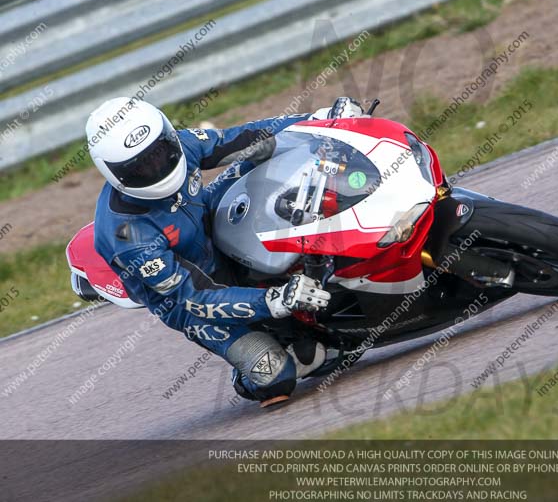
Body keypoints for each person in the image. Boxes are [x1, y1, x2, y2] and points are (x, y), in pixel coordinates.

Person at [87, 96, 364, 408]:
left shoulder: (183, 144)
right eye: (140, 167)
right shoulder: (127, 236)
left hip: (209, 225)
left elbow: (247, 138)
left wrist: (320, 119)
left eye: (161, 152)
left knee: (267, 154)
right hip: (189, 301)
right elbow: (195, 297)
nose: (157, 166)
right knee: (277, 376)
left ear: (166, 136)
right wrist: (273, 301)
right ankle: (253, 372)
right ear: (113, 174)